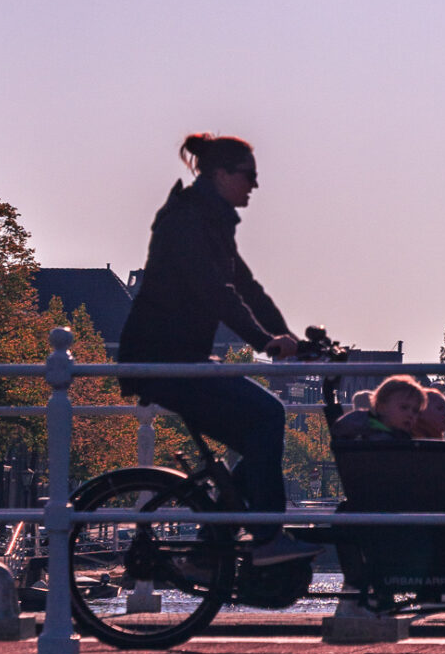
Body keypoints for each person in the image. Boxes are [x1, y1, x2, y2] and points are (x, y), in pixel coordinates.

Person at [115, 132, 316, 566]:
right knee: (269, 415)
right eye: (249, 176)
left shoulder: (210, 219)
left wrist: (290, 341)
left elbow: (247, 286)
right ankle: (264, 538)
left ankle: (214, 545)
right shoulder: (188, 221)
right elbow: (216, 293)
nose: (255, 186)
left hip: (178, 358)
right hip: (162, 361)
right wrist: (265, 342)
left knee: (261, 432)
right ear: (222, 174)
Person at [331, 375, 424, 443]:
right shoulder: (370, 434)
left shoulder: (404, 436)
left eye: (415, 411)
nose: (410, 414)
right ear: (381, 407)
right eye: (404, 407)